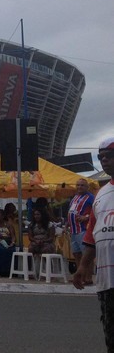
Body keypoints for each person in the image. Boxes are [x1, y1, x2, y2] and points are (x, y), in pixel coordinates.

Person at [73, 137, 114, 352]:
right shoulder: (101, 194)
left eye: (109, 155)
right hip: (108, 281)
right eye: (101, 157)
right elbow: (91, 236)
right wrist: (82, 268)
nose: (104, 160)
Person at [67, 178, 95, 285]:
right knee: (77, 254)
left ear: (87, 187)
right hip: (74, 230)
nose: (79, 187)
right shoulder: (75, 197)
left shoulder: (90, 197)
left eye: (82, 185)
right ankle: (79, 277)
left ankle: (88, 278)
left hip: (83, 229)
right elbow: (71, 211)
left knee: (86, 255)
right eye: (78, 185)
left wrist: (86, 217)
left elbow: (96, 209)